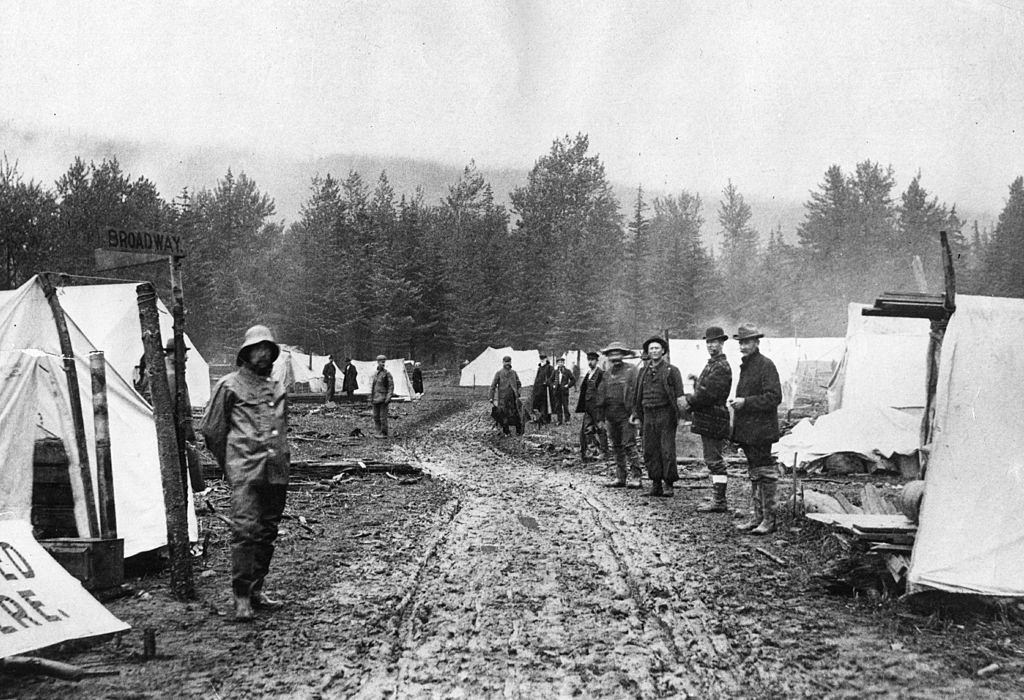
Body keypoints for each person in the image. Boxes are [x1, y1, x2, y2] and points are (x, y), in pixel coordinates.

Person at [200, 325, 289, 622]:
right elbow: (212, 430)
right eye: (256, 348)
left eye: (267, 348)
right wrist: (233, 464)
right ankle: (240, 597)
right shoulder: (229, 385)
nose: (262, 353)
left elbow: (280, 428)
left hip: (276, 471)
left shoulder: (277, 388)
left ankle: (257, 590)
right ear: (246, 353)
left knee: (267, 532)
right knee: (246, 531)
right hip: (245, 472)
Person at [728, 324, 782, 535]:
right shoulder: (747, 365)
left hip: (762, 430)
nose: (743, 346)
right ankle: (758, 516)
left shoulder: (765, 365)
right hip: (749, 430)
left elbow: (774, 397)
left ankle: (770, 519)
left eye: (748, 342)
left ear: (757, 343)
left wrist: (745, 402)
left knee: (765, 474)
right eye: (741, 342)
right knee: (754, 472)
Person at [682, 327, 733, 514]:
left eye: (715, 342)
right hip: (709, 417)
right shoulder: (714, 364)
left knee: (714, 459)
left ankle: (720, 500)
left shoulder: (720, 366)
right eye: (709, 342)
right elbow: (706, 388)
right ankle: (718, 498)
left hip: (714, 417)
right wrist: (697, 380)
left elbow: (707, 394)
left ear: (722, 343)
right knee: (712, 458)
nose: (711, 345)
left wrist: (688, 401)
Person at [630, 336, 686, 497]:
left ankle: (668, 483)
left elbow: (679, 395)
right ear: (648, 352)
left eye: (657, 348)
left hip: (665, 414)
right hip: (648, 414)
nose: (654, 351)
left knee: (667, 449)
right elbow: (637, 395)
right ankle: (656, 483)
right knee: (650, 449)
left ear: (663, 351)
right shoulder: (642, 371)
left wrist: (681, 416)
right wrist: (636, 414)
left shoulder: (672, 370)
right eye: (651, 349)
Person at [599, 342, 643, 488]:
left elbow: (637, 393)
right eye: (612, 354)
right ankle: (621, 477)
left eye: (618, 353)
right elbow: (601, 395)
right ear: (608, 356)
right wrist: (601, 417)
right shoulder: (607, 373)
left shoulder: (631, 371)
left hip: (626, 415)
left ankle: (636, 476)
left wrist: (635, 413)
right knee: (616, 446)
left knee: (629, 445)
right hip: (611, 415)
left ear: (623, 355)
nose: (615, 357)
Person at [576, 351, 608, 462]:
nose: (590, 362)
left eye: (592, 360)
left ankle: (604, 451)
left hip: (597, 406)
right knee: (586, 430)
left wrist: (602, 406)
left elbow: (603, 391)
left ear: (596, 361)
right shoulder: (588, 373)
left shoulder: (600, 373)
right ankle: (593, 450)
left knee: (600, 428)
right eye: (589, 360)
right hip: (588, 406)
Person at [489, 355, 523, 436]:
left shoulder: (514, 373)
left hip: (513, 398)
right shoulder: (499, 373)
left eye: (509, 362)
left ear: (511, 362)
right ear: (503, 363)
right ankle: (506, 432)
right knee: (504, 416)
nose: (507, 364)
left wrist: (518, 392)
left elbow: (519, 383)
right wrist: (491, 398)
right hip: (503, 399)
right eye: (506, 362)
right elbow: (493, 386)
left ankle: (519, 432)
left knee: (516, 415)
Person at [370, 355, 394, 437]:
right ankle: (378, 432)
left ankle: (384, 433)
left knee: (382, 417)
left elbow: (391, 387)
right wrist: (371, 397)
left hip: (383, 399)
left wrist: (388, 397)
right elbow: (373, 387)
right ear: (378, 362)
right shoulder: (376, 374)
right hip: (375, 398)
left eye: (384, 362)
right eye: (381, 362)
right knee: (376, 417)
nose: (382, 363)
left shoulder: (387, 374)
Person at [549, 357, 576, 425]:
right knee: (558, 406)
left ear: (564, 363)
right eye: (559, 362)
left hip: (564, 391)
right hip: (557, 391)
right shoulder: (555, 371)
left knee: (565, 406)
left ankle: (567, 420)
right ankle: (559, 420)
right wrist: (553, 385)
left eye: (562, 362)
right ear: (557, 363)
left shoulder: (567, 371)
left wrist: (568, 385)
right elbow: (550, 380)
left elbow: (573, 380)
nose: (560, 363)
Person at [532, 354, 554, 424]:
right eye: (541, 359)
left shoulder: (550, 367)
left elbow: (552, 377)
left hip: (546, 389)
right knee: (538, 403)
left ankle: (546, 419)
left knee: (546, 404)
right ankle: (539, 418)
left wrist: (547, 382)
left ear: (546, 359)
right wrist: (535, 387)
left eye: (543, 359)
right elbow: (537, 378)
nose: (542, 360)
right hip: (539, 389)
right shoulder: (540, 368)